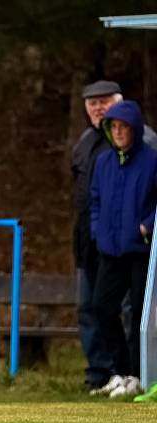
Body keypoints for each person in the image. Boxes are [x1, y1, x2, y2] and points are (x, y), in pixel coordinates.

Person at [71, 80, 157, 391]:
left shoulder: (151, 156)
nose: (119, 132)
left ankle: (138, 374)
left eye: (124, 126)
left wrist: (147, 225)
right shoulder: (102, 158)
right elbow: (94, 199)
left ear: (134, 127)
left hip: (140, 249)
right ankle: (117, 371)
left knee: (137, 314)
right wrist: (98, 229)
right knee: (100, 308)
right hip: (107, 248)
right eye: (114, 127)